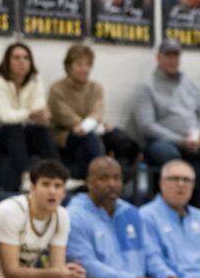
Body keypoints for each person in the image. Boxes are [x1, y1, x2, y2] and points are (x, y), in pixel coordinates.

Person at [66, 157, 187, 278]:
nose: (111, 184)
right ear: (89, 182)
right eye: (104, 178)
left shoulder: (131, 213)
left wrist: (167, 275)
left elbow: (150, 254)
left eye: (116, 178)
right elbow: (86, 265)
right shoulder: (75, 215)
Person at [0, 160, 83, 278]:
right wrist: (56, 274)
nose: (52, 191)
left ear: (64, 192)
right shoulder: (11, 211)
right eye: (46, 184)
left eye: (58, 186)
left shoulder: (62, 215)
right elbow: (10, 271)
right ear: (32, 188)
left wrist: (70, 274)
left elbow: (56, 267)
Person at [48, 44, 140, 181]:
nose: (84, 69)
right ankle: (99, 178)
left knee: (122, 139)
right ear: (69, 66)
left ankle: (120, 179)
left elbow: (97, 112)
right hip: (66, 135)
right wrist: (93, 125)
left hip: (92, 129)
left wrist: (92, 125)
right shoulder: (57, 89)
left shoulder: (95, 87)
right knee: (89, 138)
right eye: (79, 64)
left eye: (87, 65)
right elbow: (66, 117)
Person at [0, 43, 57, 191]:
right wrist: (31, 114)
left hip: (19, 129)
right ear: (7, 61)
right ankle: (26, 177)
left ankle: (57, 176)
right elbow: (6, 116)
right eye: (16, 58)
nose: (22, 62)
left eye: (26, 58)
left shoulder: (35, 79)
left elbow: (40, 107)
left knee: (42, 130)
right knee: (14, 128)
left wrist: (40, 115)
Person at [135, 39, 200, 168]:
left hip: (197, 139)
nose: (173, 60)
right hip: (169, 142)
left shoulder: (191, 84)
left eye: (176, 55)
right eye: (168, 55)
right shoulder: (147, 88)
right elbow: (147, 126)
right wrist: (181, 141)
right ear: (158, 58)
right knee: (165, 151)